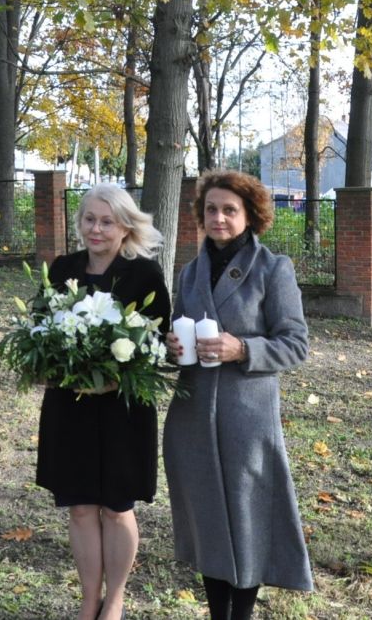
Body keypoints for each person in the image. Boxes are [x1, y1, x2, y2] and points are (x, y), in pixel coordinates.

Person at [163, 169, 314, 620]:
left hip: (247, 418)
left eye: (230, 210)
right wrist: (172, 348)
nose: (219, 218)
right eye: (211, 209)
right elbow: (176, 335)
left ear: (250, 215)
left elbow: (296, 344)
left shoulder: (273, 268)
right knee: (208, 523)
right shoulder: (190, 273)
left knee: (247, 522)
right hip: (191, 418)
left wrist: (243, 348)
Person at [36, 184, 171, 620]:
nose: (96, 229)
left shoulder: (144, 275)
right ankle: (88, 598)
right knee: (79, 507)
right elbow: (41, 330)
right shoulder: (63, 269)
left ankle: (115, 600)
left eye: (107, 221)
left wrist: (115, 379)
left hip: (122, 410)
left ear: (125, 226)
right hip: (69, 406)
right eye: (89, 219)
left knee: (116, 507)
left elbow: (158, 347)